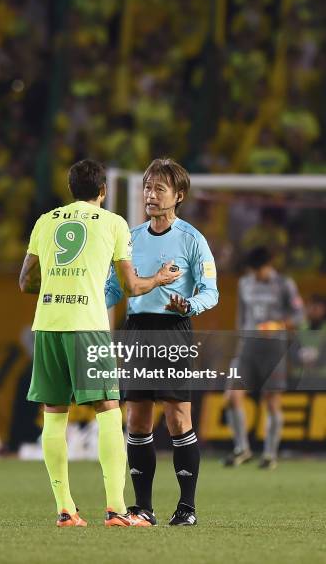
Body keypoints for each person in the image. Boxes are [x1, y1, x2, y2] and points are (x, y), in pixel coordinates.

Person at [19, 159, 180, 528]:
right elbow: (131, 287)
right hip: (87, 326)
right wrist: (158, 278)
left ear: (71, 189)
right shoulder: (113, 223)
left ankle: (66, 510)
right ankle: (115, 509)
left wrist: (58, 285)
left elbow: (26, 281)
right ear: (103, 191)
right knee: (108, 409)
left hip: (47, 325)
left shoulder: (46, 221)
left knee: (54, 413)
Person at [105, 158, 219, 527]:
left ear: (179, 195)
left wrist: (190, 303)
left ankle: (187, 508)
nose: (150, 195)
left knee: (177, 416)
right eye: (147, 187)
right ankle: (143, 509)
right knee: (136, 419)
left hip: (174, 328)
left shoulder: (192, 239)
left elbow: (211, 291)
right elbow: (112, 288)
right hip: (136, 328)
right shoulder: (131, 238)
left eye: (159, 189)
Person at [224, 246, 304, 470]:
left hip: (274, 348)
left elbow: (299, 315)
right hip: (248, 346)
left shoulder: (284, 284)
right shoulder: (244, 283)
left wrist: (278, 325)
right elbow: (241, 316)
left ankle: (270, 455)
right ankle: (242, 448)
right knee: (232, 395)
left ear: (268, 265)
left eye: (258, 269)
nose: (255, 274)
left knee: (271, 401)